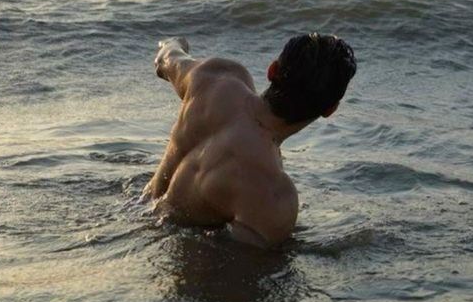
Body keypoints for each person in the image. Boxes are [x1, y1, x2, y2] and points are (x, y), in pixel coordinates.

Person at [143, 33, 357, 248]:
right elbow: (241, 268)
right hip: (170, 249)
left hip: (141, 209)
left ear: (272, 70)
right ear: (331, 110)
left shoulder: (216, 77)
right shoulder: (274, 194)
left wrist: (174, 43)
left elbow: (166, 58)